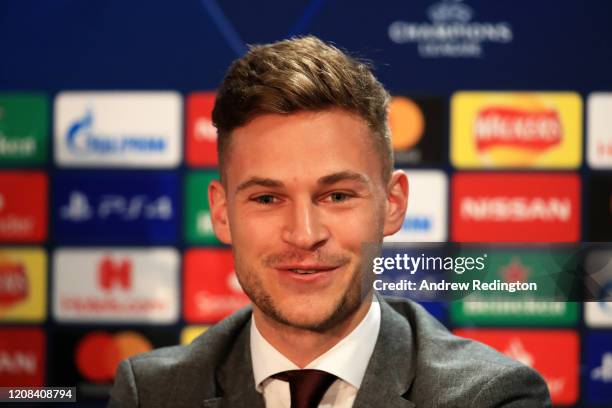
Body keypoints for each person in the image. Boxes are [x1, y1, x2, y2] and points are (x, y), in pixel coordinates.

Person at [108, 36, 551, 408]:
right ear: (222, 213)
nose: (304, 234)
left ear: (392, 204)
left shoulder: (489, 397)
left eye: (337, 196)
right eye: (267, 198)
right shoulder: (151, 392)